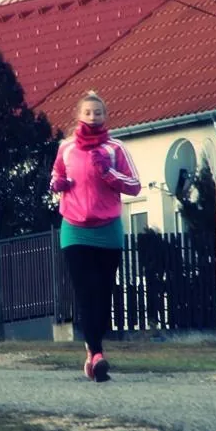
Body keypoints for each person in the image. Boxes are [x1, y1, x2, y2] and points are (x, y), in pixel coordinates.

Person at [50, 91, 140, 382]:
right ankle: (98, 354)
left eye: (98, 113)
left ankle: (91, 355)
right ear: (78, 116)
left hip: (107, 229)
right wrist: (58, 183)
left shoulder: (115, 148)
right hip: (74, 228)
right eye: (87, 112)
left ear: (105, 116)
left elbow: (135, 185)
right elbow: (55, 175)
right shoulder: (66, 147)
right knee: (85, 291)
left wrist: (109, 173)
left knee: (103, 294)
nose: (93, 117)